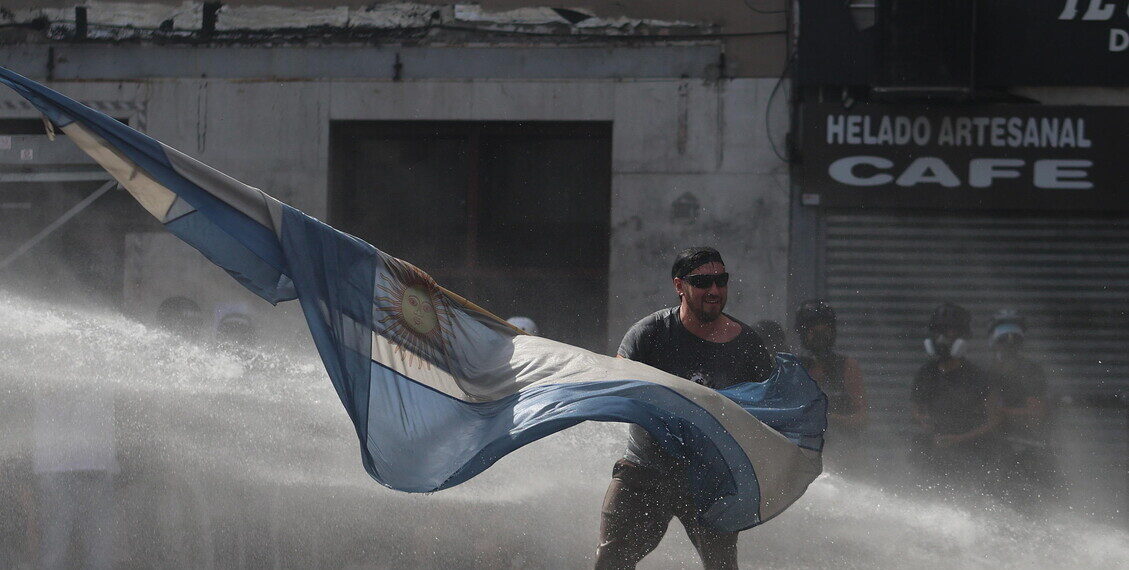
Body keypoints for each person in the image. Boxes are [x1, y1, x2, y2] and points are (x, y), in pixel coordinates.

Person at [594, 247, 775, 570]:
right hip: (646, 471)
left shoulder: (747, 343)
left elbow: (769, 407)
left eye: (721, 280)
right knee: (610, 563)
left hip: (710, 479)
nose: (714, 291)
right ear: (680, 286)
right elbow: (617, 385)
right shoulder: (649, 335)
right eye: (703, 282)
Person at [910, 302, 1002, 493]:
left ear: (961, 337)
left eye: (949, 333)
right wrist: (923, 421)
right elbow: (916, 409)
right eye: (938, 332)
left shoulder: (977, 376)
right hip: (936, 453)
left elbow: (994, 420)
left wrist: (959, 438)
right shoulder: (926, 373)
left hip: (973, 454)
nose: (942, 339)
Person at [986, 309, 1059, 504]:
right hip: (996, 451)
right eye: (1003, 339)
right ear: (994, 342)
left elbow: (1037, 413)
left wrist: (1002, 413)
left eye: (1013, 339)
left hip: (1028, 451)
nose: (1008, 344)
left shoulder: (1031, 371)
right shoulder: (988, 372)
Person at [793, 300, 867, 473]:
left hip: (847, 457)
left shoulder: (847, 366)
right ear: (803, 332)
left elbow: (863, 418)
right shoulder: (794, 367)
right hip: (807, 457)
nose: (820, 335)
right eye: (813, 329)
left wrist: (830, 419)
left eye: (825, 329)